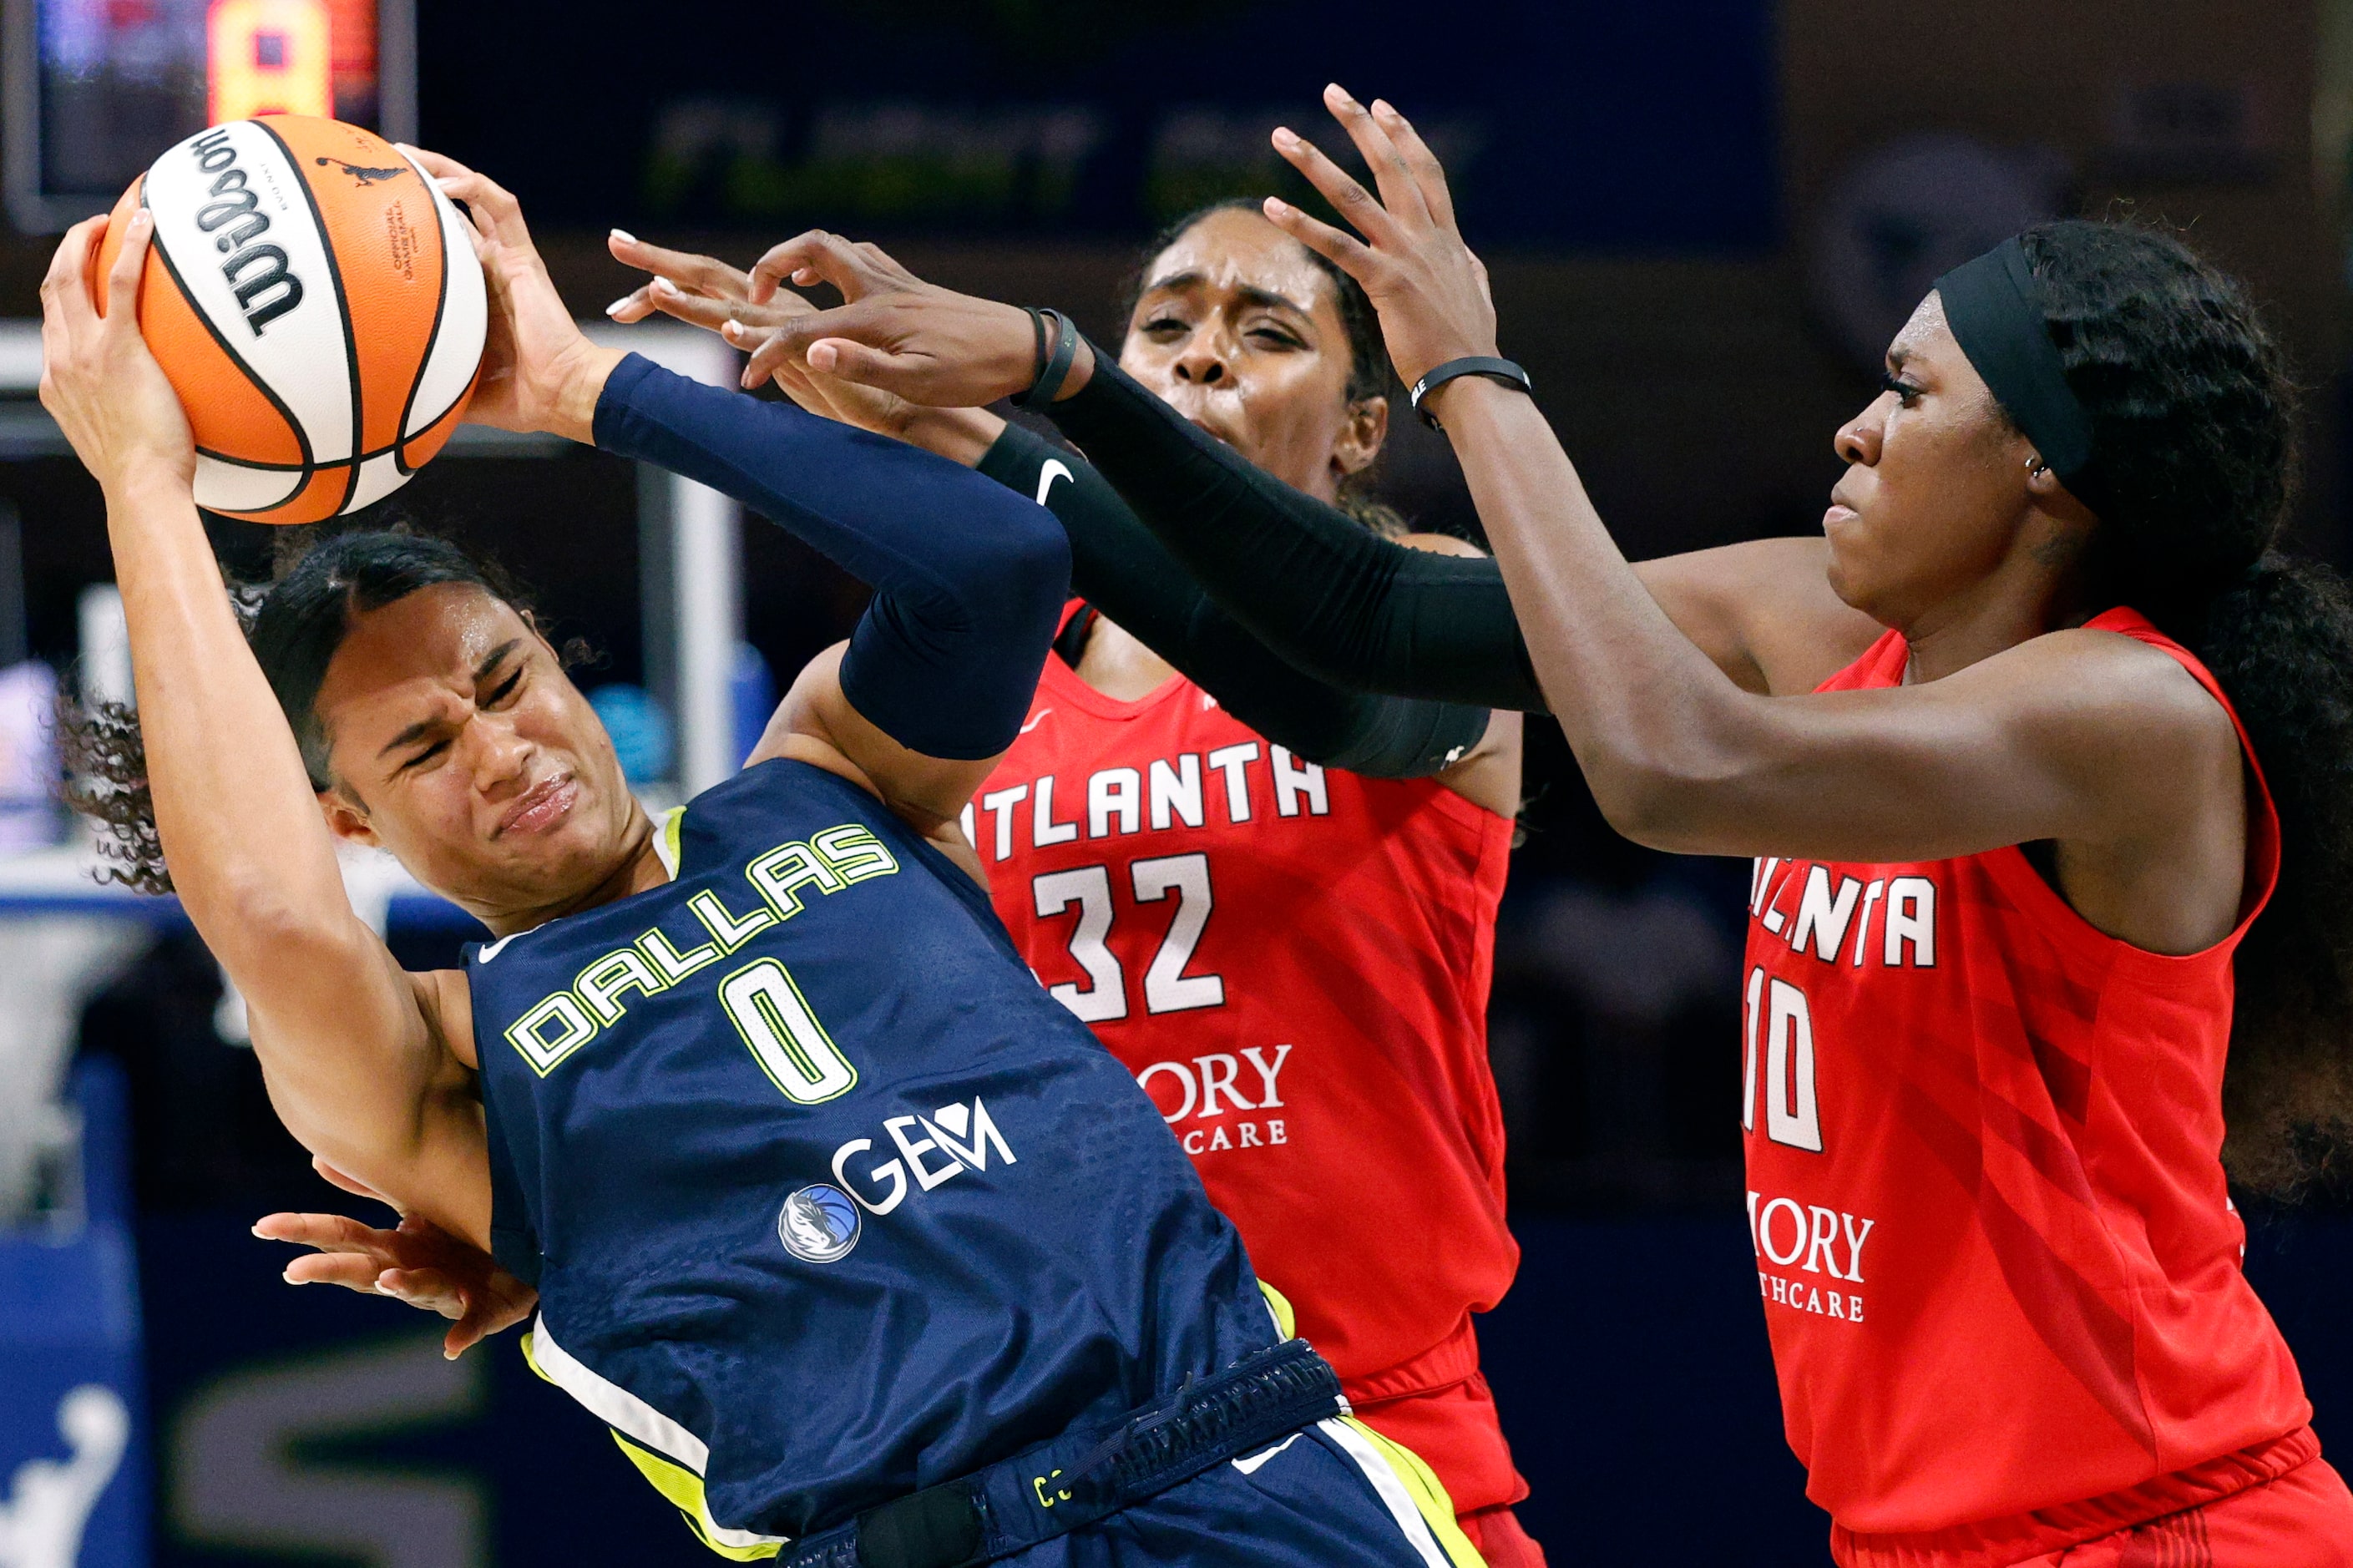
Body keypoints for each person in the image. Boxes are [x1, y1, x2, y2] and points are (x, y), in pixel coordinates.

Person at [706, 85, 2353, 1568]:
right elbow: (1363, 613)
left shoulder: (2129, 718)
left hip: (2165, 1520)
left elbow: (1669, 771)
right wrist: (1037, 394)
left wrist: (1467, 372)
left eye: (1906, 396)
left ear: (2043, 475)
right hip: (1916, 1532)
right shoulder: (1800, 609)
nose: (1849, 426)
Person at [35, 149, 1482, 1568]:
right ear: (348, 822)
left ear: (557, 656)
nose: (503, 751)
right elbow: (277, 923)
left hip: (1248, 1465)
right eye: (421, 753)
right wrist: (145, 487)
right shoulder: (437, 1061)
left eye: (504, 681)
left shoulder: (815, 779)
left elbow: (995, 568)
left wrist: (588, 391)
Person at [596, 200, 1539, 1564]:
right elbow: (746, 989)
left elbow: (1336, 664)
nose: (1201, 357)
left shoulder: (1428, 597)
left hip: (1381, 1414)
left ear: (1354, 429)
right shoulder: (959, 699)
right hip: (1081, 1447)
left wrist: (961, 416)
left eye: (1263, 330)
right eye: (1164, 326)